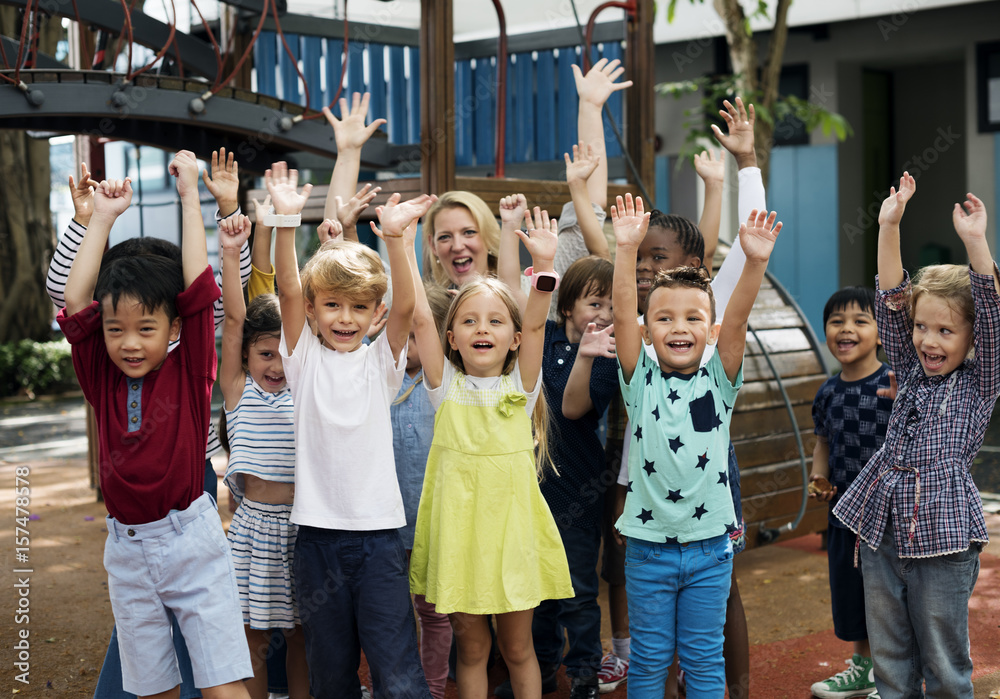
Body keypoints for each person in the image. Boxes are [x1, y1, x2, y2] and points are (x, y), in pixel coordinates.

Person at [56, 152, 252, 698]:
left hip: (190, 542)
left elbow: (197, 292)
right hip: (126, 549)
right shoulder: (101, 374)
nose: (130, 342)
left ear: (171, 328)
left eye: (146, 328)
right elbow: (75, 301)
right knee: (152, 688)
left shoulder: (190, 370)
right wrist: (102, 218)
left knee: (221, 684)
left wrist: (192, 196)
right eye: (116, 329)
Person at [604, 97, 762, 698]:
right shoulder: (639, 375)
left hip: (708, 550)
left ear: (710, 330)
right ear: (647, 331)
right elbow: (623, 312)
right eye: (663, 317)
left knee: (703, 663)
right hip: (646, 550)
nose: (678, 326)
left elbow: (739, 313)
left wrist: (754, 260)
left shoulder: (719, 380)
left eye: (692, 317)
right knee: (647, 664)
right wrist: (623, 249)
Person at [272, 159, 435, 698]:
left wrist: (394, 238)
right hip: (317, 539)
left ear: (375, 313)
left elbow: (409, 306)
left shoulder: (379, 364)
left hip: (380, 542)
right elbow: (290, 290)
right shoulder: (302, 361)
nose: (345, 318)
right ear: (316, 312)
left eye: (358, 308)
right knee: (331, 671)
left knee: (398, 672)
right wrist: (286, 221)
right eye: (333, 306)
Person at [833, 175, 999, 699]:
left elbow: (993, 314)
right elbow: (889, 298)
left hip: (943, 536)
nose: (928, 339)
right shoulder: (909, 363)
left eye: (946, 331)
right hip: (882, 528)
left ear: (972, 339)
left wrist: (976, 242)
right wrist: (889, 224)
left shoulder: (980, 381)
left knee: (944, 660)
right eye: (922, 327)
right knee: (890, 657)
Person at [407, 206, 573, 698]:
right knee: (473, 651)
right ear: (452, 339)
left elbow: (540, 326)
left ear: (514, 339)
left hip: (511, 538)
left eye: (496, 321)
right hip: (460, 541)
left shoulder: (522, 390)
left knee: (519, 650)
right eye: (470, 321)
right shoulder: (444, 388)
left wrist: (543, 265)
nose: (483, 329)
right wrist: (399, 241)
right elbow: (418, 315)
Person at [494, 251, 619, 699]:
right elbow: (513, 296)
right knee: (535, 589)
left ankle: (584, 674)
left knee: (578, 592)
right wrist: (513, 232)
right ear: (567, 306)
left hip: (578, 489)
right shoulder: (542, 336)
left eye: (611, 306)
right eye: (594, 303)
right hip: (528, 486)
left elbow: (573, 407)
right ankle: (543, 669)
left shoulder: (606, 353)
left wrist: (586, 354)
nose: (603, 314)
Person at [218, 211, 308, 699]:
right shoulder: (238, 390)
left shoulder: (306, 390)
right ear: (247, 356)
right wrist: (232, 253)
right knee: (251, 637)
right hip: (253, 529)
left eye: (283, 353)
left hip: (303, 525)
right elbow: (234, 318)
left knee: (300, 637)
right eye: (265, 353)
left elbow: (295, 297)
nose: (276, 364)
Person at [808, 287, 892, 699]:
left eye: (860, 321)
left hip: (889, 518)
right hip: (844, 516)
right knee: (854, 594)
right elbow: (822, 442)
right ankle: (864, 670)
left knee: (889, 597)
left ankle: (894, 676)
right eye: (837, 321)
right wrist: (818, 479)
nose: (847, 329)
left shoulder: (893, 384)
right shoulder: (827, 392)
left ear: (880, 333)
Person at [391, 280, 455, 699]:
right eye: (406, 333)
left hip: (437, 521)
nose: (412, 344)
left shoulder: (448, 382)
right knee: (392, 614)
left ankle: (433, 687)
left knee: (434, 612)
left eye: (421, 334)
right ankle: (394, 685)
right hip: (389, 521)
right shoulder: (383, 378)